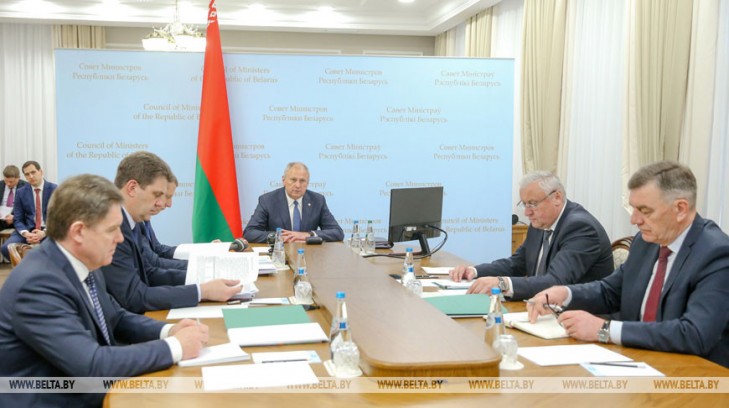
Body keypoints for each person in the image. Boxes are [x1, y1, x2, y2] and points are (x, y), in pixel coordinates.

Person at [0, 174, 209, 407]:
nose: (120, 238)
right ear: (78, 232)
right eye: (112, 229)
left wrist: (169, 331)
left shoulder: (82, 260)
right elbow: (92, 365)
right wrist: (176, 346)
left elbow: (116, 317)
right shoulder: (37, 285)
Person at [528, 161, 729, 368]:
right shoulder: (646, 241)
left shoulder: (716, 253)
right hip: (637, 358)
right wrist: (565, 293)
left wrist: (604, 330)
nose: (634, 220)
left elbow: (695, 334)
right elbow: (610, 292)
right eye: (634, 209)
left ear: (680, 209)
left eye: (645, 210)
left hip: (694, 373)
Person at [101, 151, 241, 314]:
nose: (163, 204)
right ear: (132, 188)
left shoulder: (132, 221)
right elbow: (133, 297)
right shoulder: (112, 228)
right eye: (157, 195)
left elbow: (149, 272)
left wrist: (206, 276)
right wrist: (202, 291)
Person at [449, 171, 613, 300]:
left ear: (557, 197)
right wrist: (474, 271)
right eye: (525, 204)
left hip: (580, 316)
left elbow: (556, 281)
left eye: (533, 204)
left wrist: (502, 283)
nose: (527, 212)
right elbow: (516, 264)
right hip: (543, 307)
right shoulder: (540, 223)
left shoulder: (580, 227)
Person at [244, 162, 344, 243]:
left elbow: (337, 232)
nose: (297, 185)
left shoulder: (317, 201)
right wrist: (280, 237)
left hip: (309, 254)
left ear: (307, 183)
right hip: (279, 253)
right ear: (284, 180)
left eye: (302, 181)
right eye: (293, 180)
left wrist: (307, 235)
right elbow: (250, 233)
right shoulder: (268, 200)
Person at [0, 161, 57, 260]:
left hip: (49, 230)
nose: (31, 176)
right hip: (27, 229)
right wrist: (26, 233)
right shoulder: (21, 192)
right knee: (6, 248)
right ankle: (27, 268)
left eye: (33, 172)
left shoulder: (54, 189)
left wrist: (43, 233)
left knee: (56, 249)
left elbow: (59, 217)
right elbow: (18, 219)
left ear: (41, 172)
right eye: (27, 174)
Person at [139, 173, 188, 271]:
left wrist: (200, 251)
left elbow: (158, 249)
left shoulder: (144, 218)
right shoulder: (132, 220)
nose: (169, 204)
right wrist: (197, 266)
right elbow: (154, 264)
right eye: (166, 196)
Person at [0, 165, 27, 230]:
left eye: (11, 182)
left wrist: (15, 217)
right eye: (6, 181)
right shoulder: (0, 185)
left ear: (18, 178)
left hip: (17, 219)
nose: (8, 184)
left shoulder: (26, 187)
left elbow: (29, 209)